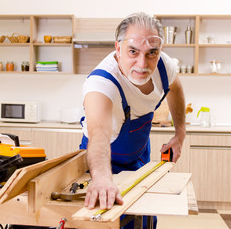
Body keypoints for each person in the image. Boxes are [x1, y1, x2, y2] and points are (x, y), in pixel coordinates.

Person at [79, 12, 186, 228]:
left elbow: (176, 88)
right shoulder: (101, 82)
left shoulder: (164, 66)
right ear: (118, 49)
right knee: (109, 218)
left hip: (139, 155)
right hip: (102, 160)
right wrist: (101, 178)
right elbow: (99, 134)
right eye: (133, 51)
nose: (142, 64)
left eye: (151, 53)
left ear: (160, 50)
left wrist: (179, 134)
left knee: (146, 216)